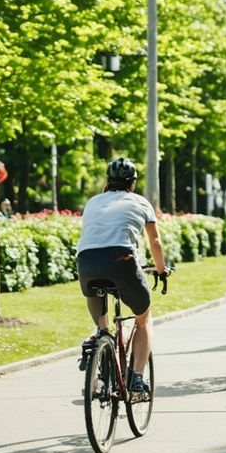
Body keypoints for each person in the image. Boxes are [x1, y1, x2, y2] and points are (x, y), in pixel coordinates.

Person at [76, 158, 168, 398]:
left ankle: (101, 339)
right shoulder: (141, 202)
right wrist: (161, 270)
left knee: (102, 322)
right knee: (144, 319)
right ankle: (137, 378)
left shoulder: (92, 202)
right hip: (122, 261)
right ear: (133, 184)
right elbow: (155, 242)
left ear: (107, 182)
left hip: (86, 262)